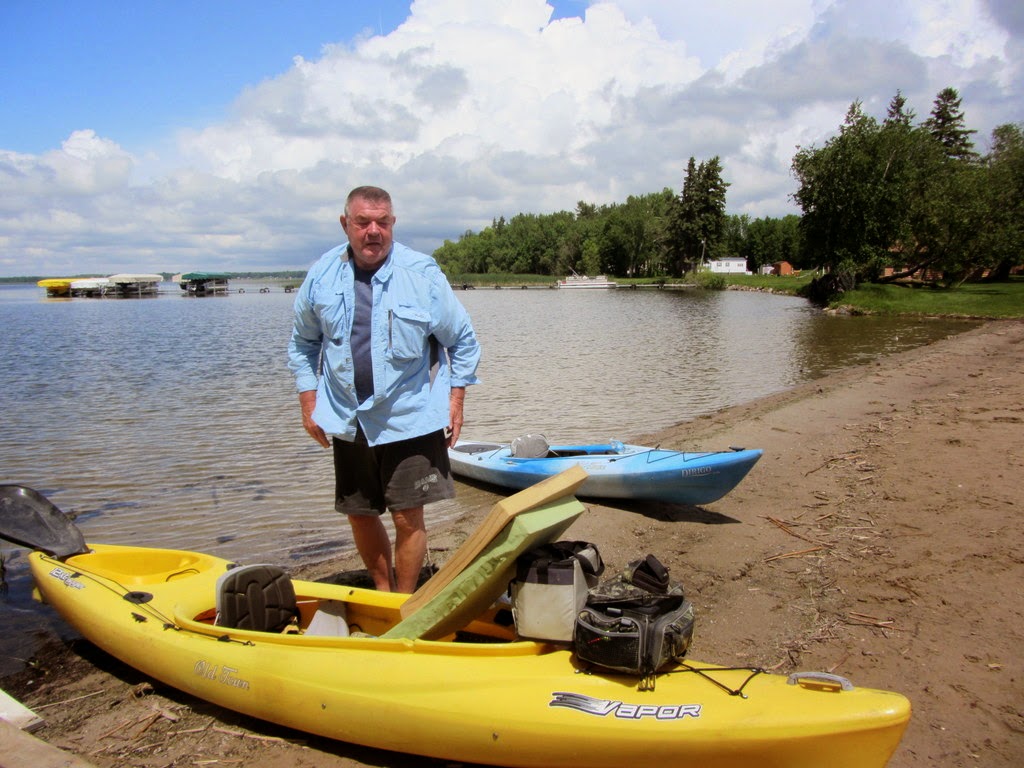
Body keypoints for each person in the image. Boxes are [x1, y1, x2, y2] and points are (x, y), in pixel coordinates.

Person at [287, 186, 481, 593]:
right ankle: (382, 592)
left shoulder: (422, 274)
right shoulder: (321, 275)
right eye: (363, 222)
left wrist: (456, 400)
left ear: (393, 224)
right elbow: (303, 343)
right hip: (348, 416)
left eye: (383, 222)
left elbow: (462, 340)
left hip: (410, 416)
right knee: (360, 513)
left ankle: (403, 602)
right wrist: (309, 401)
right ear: (345, 224)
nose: (373, 231)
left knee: (408, 516)